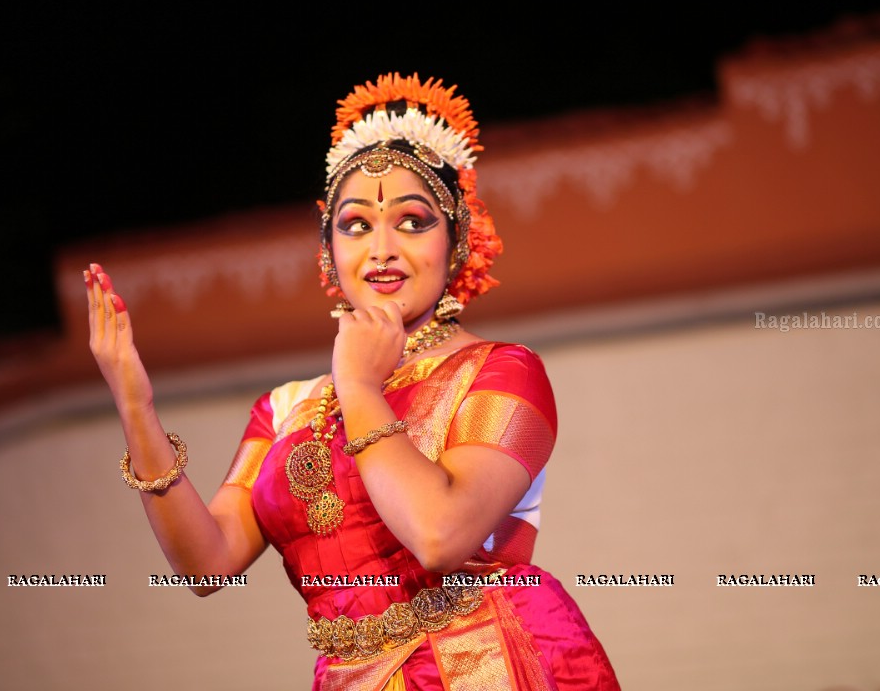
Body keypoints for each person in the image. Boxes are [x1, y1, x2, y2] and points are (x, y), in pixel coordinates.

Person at [84, 73, 621, 690]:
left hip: (488, 663)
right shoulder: (284, 409)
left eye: (414, 222)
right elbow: (207, 564)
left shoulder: (500, 371)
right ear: (328, 253)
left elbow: (439, 533)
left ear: (458, 244)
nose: (383, 249)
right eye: (357, 224)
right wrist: (134, 402)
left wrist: (360, 386)